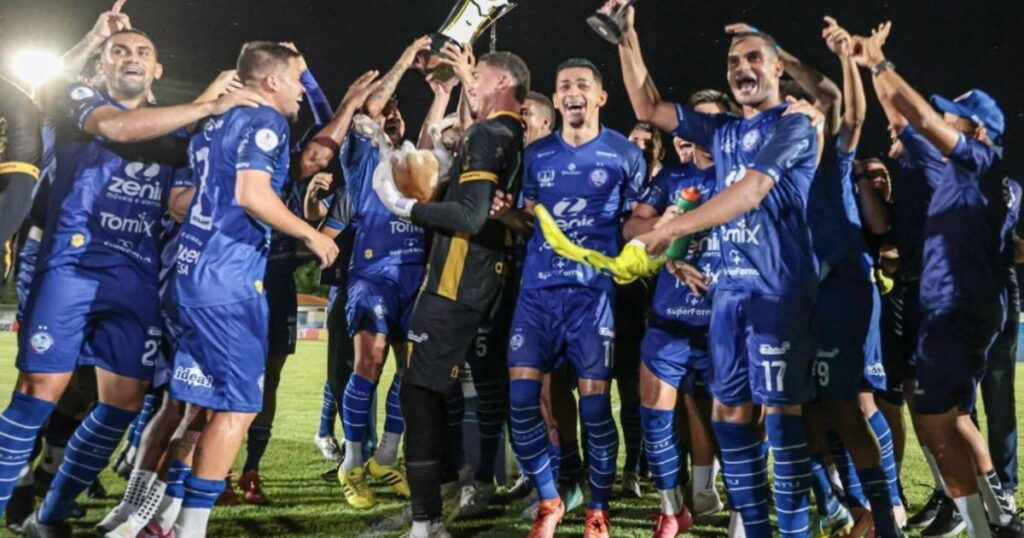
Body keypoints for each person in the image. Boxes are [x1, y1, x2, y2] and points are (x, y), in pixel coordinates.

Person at [6, 27, 262, 536]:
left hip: (136, 279)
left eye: (144, 52)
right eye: (119, 51)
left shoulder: (181, 135)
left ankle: (50, 517)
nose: (131, 58)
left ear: (157, 70)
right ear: (99, 68)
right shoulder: (78, 101)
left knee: (121, 406)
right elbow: (119, 129)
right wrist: (205, 105)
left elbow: (185, 199)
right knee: (39, 392)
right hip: (71, 267)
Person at [612, 2, 821, 536]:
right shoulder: (722, 132)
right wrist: (626, 40)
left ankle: (795, 529)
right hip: (728, 302)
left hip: (778, 296)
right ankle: (751, 525)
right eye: (733, 62)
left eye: (754, 58)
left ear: (777, 68)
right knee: (729, 416)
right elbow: (651, 105)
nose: (742, 68)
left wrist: (669, 231)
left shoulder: (795, 123)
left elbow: (750, 191)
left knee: (779, 421)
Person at [856, 22, 1023, 538]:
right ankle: (996, 518)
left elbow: (916, 119)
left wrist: (877, 64)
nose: (941, 120)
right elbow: (910, 119)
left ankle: (983, 520)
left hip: (956, 309)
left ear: (974, 130)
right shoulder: (972, 172)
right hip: (962, 307)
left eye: (955, 116)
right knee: (947, 416)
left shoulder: (968, 161)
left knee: (939, 416)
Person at [167, 41, 338, 537]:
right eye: (296, 81)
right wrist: (310, 234)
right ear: (270, 82)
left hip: (193, 273)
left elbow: (182, 202)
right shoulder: (265, 123)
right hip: (229, 282)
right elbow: (252, 194)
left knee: (197, 408)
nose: (302, 94)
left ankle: (157, 516)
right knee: (240, 407)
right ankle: (191, 527)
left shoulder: (212, 125)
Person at [373, 50, 529, 538]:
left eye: (478, 76)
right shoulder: (511, 133)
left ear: (502, 80)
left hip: (458, 280)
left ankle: (427, 521)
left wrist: (405, 207)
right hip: (487, 278)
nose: (471, 82)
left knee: (419, 388)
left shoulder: (488, 133)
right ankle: (476, 489)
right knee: (458, 391)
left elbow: (468, 217)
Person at [507, 57, 645, 538]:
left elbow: (635, 222)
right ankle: (549, 501)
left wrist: (665, 236)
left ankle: (597, 511)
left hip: (592, 300)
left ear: (601, 97)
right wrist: (507, 217)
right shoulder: (537, 155)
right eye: (564, 85)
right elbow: (528, 219)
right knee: (522, 400)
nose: (572, 91)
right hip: (538, 293)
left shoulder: (626, 154)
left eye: (582, 84)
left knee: (593, 411)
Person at [623, 88, 733, 537]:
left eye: (711, 121)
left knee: (736, 425)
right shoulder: (671, 178)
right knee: (657, 418)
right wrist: (660, 226)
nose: (701, 130)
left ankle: (736, 509)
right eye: (695, 121)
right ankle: (672, 510)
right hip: (669, 319)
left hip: (725, 323)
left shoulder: (743, 177)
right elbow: (631, 227)